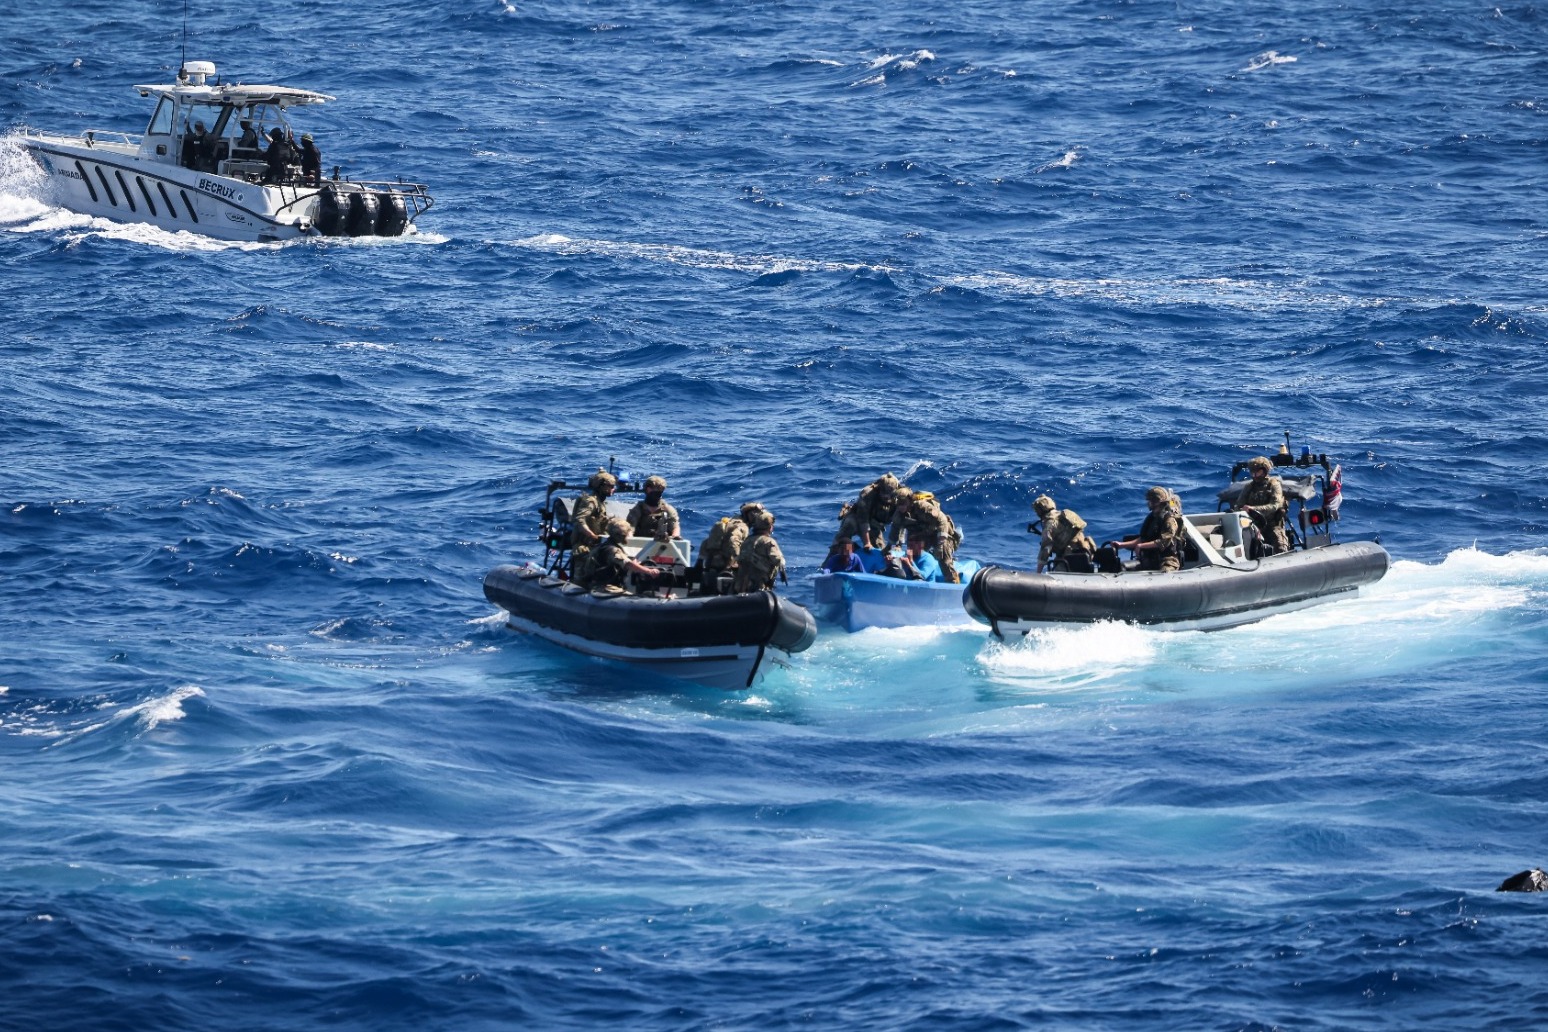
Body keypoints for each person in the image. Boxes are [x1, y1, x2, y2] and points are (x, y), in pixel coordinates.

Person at [887, 487, 961, 584]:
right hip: (923, 534)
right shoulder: (899, 513)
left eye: (903, 503)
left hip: (939, 532)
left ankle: (953, 582)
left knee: (943, 559)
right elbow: (895, 529)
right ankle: (912, 580)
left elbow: (942, 520)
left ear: (909, 500)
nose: (901, 506)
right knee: (913, 554)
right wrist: (888, 547)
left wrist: (940, 545)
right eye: (898, 504)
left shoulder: (922, 506)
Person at [1110, 486, 1185, 572]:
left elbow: (1164, 542)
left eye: (1151, 501)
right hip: (1150, 559)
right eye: (1149, 501)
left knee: (1165, 573)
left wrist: (1141, 546)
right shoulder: (1153, 518)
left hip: (1167, 560)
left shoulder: (1169, 520)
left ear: (1158, 502)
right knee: (1122, 567)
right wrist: (1121, 545)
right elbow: (1144, 539)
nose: (1149, 504)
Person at [576, 519, 662, 591]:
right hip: (604, 587)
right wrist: (649, 571)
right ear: (623, 535)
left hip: (599, 584)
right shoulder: (613, 550)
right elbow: (627, 564)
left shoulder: (605, 545)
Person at [697, 501, 763, 594]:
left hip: (711, 565)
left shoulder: (728, 522)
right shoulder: (743, 527)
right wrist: (739, 559)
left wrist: (700, 561)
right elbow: (733, 540)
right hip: (727, 567)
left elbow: (706, 541)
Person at [830, 473, 901, 555]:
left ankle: (857, 550)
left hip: (874, 525)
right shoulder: (867, 494)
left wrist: (898, 545)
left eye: (889, 493)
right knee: (846, 533)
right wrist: (867, 543)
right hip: (856, 519)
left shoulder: (900, 497)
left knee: (879, 553)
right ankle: (836, 557)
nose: (886, 496)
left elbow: (900, 523)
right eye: (883, 492)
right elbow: (863, 520)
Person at [1234, 455, 1290, 555]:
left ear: (1265, 471)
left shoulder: (1273, 485)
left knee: (1280, 548)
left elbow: (1275, 505)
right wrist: (1241, 510)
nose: (1255, 475)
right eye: (1252, 472)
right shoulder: (1249, 487)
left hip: (1272, 526)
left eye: (1258, 472)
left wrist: (1253, 509)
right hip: (1253, 527)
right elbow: (1239, 506)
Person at [567, 470, 617, 578]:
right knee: (581, 580)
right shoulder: (591, 501)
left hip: (595, 547)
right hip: (584, 548)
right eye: (611, 486)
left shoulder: (600, 503)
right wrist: (592, 536)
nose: (613, 489)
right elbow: (580, 520)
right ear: (602, 486)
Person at [1032, 495, 1096, 573]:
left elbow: (1045, 551)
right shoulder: (1068, 515)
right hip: (1087, 554)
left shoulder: (1049, 525)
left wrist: (1038, 573)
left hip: (1070, 561)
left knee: (1055, 572)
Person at [734, 509, 786, 593]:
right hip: (758, 588)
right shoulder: (769, 542)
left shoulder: (746, 541)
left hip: (740, 587)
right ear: (770, 527)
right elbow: (778, 560)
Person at [625, 475, 680, 541]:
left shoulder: (666, 509)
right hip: (640, 545)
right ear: (647, 490)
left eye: (659, 490)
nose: (656, 493)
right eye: (652, 489)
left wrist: (675, 536)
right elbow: (630, 528)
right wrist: (629, 537)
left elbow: (675, 527)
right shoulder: (639, 509)